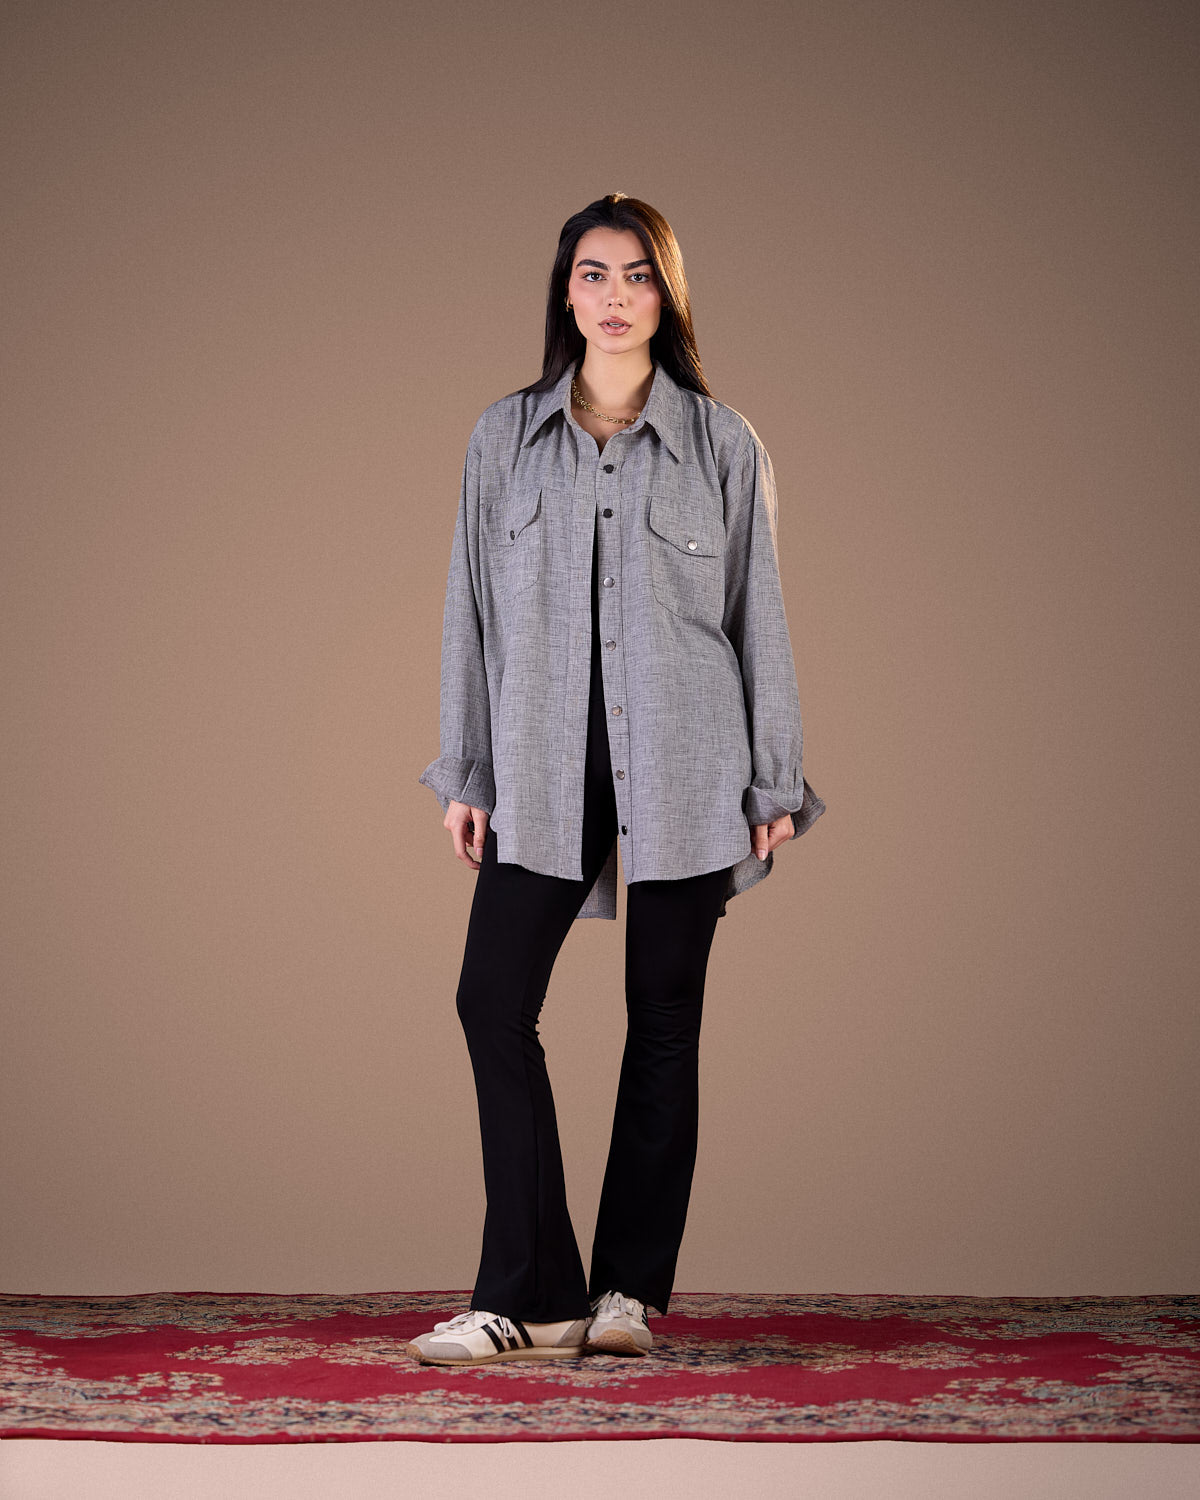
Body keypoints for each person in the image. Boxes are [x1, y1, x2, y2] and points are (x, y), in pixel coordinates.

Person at [408, 193, 826, 1367]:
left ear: (667, 294)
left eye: (639, 275)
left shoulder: (724, 444)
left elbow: (758, 616)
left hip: (690, 761)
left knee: (664, 1021)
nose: (615, 295)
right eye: (593, 273)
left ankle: (627, 1294)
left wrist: (774, 781)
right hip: (541, 762)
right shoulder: (502, 438)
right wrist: (467, 768)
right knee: (492, 1000)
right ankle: (531, 1293)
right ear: (566, 291)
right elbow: (470, 612)